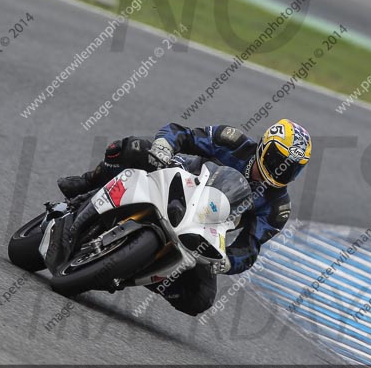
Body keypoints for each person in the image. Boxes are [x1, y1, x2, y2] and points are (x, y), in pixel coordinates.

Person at [57, 119, 312, 316]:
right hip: (178, 178)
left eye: (292, 168)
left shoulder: (277, 208)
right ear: (264, 147)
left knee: (201, 298)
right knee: (133, 147)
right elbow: (183, 134)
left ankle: (139, 270)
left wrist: (228, 262)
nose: (281, 169)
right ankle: (87, 185)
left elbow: (250, 248)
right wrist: (165, 144)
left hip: (202, 230)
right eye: (278, 159)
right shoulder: (233, 141)